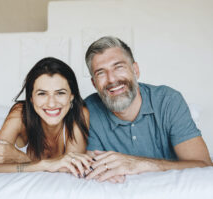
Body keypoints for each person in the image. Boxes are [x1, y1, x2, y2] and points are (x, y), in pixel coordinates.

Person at [84, 36, 212, 183]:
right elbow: (92, 169)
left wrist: (139, 164)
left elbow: (204, 166)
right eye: (101, 73)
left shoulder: (168, 101)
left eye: (118, 67)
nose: (112, 79)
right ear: (94, 83)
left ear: (135, 70)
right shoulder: (88, 111)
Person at [0, 57, 92, 177]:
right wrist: (43, 165)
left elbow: (72, 167)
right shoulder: (20, 113)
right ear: (31, 98)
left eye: (60, 93)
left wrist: (20, 157)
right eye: (42, 93)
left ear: (72, 96)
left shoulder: (80, 113)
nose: (51, 103)